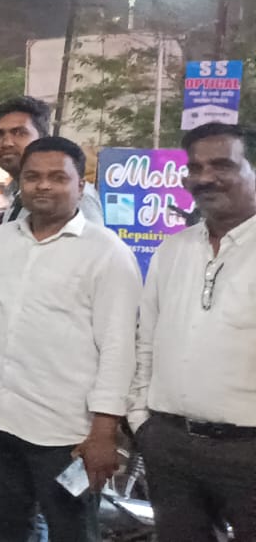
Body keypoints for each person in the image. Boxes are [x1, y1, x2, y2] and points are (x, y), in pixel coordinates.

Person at [0, 137, 139, 541]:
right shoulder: (0, 241)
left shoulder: (107, 253)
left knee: (72, 531)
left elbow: (119, 348)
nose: (43, 185)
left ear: (81, 186)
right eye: (32, 176)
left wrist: (104, 430)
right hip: (1, 417)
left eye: (58, 177)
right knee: (7, 528)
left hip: (66, 431)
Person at [130, 123, 256, 538]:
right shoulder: (173, 249)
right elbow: (146, 339)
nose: (205, 177)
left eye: (223, 165)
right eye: (195, 167)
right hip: (171, 448)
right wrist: (141, 421)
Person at [0, 96, 102, 223]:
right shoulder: (14, 192)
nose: (6, 143)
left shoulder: (72, 195)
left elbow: (90, 235)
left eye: (19, 133)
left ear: (43, 139)